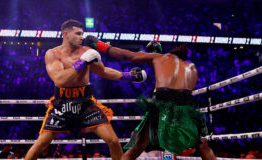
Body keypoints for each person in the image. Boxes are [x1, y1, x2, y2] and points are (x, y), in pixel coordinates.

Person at [25, 19, 147, 160]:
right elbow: (60, 79)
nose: (82, 37)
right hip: (62, 105)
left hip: (86, 104)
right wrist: (82, 62)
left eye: (82, 34)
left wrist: (127, 76)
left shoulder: (87, 51)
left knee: (113, 140)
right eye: (78, 34)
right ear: (65, 34)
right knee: (40, 145)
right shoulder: (53, 54)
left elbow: (103, 71)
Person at [85, 35, 216, 160]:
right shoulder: (192, 67)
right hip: (187, 105)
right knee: (202, 145)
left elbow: (127, 55)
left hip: (163, 102)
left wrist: (100, 45)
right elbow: (184, 90)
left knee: (138, 147)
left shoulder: (162, 57)